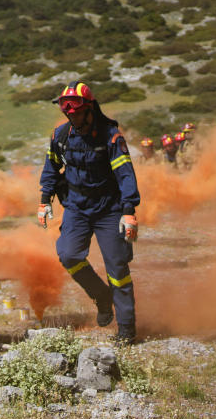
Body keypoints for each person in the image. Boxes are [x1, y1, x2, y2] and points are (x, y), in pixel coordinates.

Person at [37, 81, 140, 343]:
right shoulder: (60, 136)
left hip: (109, 210)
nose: (71, 115)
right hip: (77, 208)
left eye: (75, 111)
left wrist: (129, 211)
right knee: (68, 255)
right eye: (66, 111)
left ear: (89, 108)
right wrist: (44, 200)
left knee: (117, 268)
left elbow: (126, 175)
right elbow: (51, 168)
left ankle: (127, 329)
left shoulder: (111, 137)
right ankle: (102, 296)